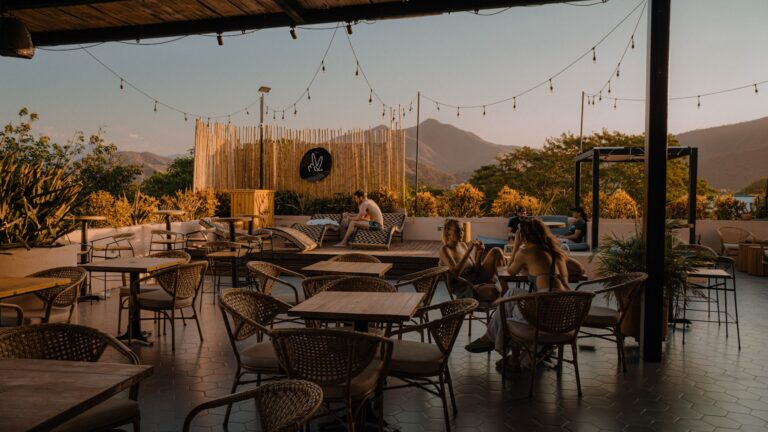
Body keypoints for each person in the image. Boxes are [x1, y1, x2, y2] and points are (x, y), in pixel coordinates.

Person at [465, 218, 570, 371]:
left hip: (544, 309)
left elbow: (510, 270)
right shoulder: (553, 251)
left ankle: (494, 341)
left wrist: (516, 245)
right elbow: (563, 279)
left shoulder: (526, 251)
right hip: (563, 310)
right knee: (513, 294)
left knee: (509, 311)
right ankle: (509, 352)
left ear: (523, 236)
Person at [438, 219, 504, 301]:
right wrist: (469, 251)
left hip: (475, 278)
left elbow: (475, 269)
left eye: (462, 230)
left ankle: (505, 288)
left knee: (496, 251)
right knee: (494, 291)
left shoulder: (463, 245)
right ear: (448, 232)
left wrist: (480, 252)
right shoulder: (445, 250)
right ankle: (505, 294)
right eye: (458, 230)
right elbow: (455, 273)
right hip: (463, 285)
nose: (461, 233)